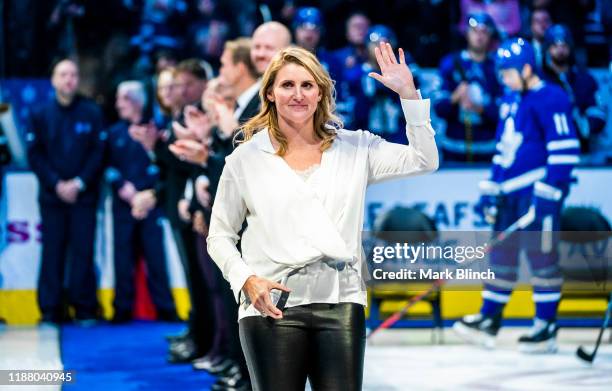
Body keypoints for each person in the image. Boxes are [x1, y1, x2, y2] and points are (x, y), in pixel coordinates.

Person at [207, 44, 438, 390]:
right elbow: (219, 236)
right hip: (271, 306)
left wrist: (409, 95)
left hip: (341, 301)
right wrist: (245, 280)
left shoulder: (356, 148)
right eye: (287, 85)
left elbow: (424, 159)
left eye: (307, 85)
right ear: (269, 93)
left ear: (321, 94)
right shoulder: (245, 159)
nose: (297, 94)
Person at [453, 38, 580, 353]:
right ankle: (489, 319)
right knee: (501, 256)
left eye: (508, 72)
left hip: (537, 193)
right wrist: (491, 189)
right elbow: (503, 149)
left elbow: (565, 150)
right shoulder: (511, 99)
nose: (504, 78)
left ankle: (545, 327)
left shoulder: (552, 97)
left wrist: (550, 192)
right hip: (509, 195)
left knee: (542, 259)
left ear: (527, 68)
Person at [27, 59, 105, 324]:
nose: (69, 79)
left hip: (84, 196)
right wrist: (56, 183)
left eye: (73, 74)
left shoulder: (91, 112)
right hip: (52, 197)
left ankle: (84, 308)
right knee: (52, 251)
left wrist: (79, 183)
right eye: (63, 74)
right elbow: (34, 154)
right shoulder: (40, 114)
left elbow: (98, 152)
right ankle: (51, 309)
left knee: (83, 251)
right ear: (53, 79)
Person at [106, 81, 178, 323]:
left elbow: (162, 165)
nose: (117, 104)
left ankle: (166, 308)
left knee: (156, 258)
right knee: (122, 257)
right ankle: (121, 309)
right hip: (123, 204)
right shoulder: (114, 133)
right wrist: (121, 188)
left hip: (150, 204)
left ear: (136, 101)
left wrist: (147, 194)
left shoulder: (155, 129)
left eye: (122, 99)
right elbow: (107, 167)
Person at [434, 12, 503, 163]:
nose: (479, 36)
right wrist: (455, 97)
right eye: (474, 31)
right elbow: (438, 109)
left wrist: (478, 108)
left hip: (488, 149)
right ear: (466, 33)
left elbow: (504, 112)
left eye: (484, 32)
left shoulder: (498, 67)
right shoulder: (450, 64)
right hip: (454, 148)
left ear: (491, 36)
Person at [541, 24, 607, 156]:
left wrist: (584, 126)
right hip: (545, 151)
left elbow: (598, 113)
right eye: (555, 46)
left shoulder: (585, 80)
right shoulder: (539, 81)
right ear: (547, 49)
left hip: (580, 150)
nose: (560, 50)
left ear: (570, 48)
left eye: (564, 45)